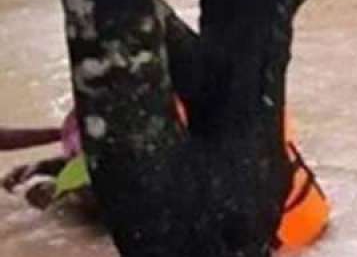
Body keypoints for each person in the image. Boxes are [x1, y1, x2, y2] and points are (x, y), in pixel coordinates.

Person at [2, 102, 329, 248]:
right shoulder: (192, 105)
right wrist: (46, 167)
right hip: (297, 216)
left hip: (268, 235)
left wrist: (58, 191)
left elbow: (114, 179)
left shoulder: (154, 126)